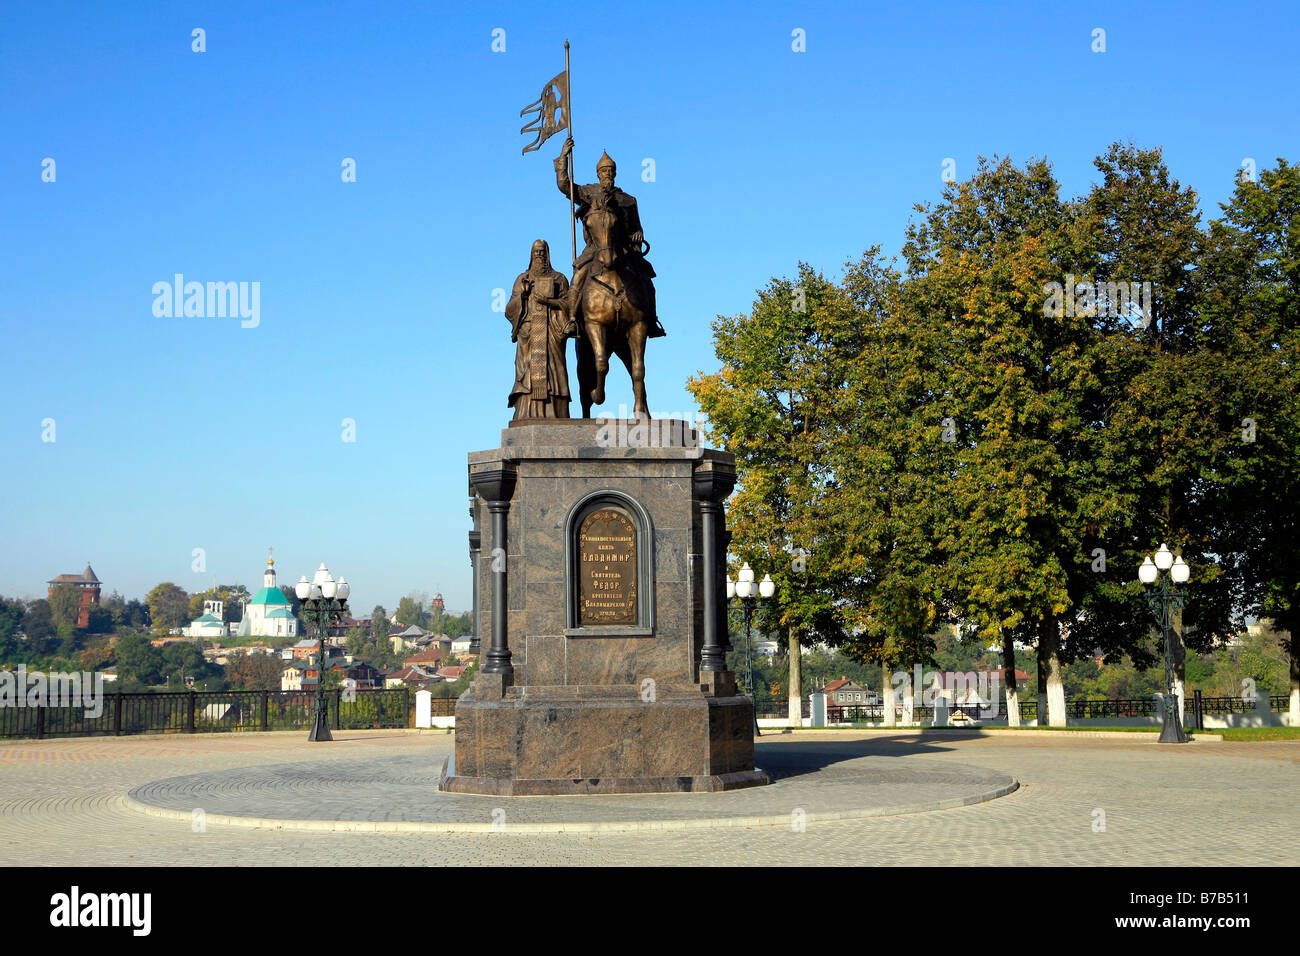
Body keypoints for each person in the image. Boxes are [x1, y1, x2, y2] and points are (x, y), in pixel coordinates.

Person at [555, 138, 665, 337]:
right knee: (578, 277)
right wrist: (563, 156)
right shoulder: (589, 193)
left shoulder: (628, 200)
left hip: (623, 250)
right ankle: (572, 319)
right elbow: (564, 185)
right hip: (595, 249)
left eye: (610, 171)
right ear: (598, 174)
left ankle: (651, 320)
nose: (607, 174)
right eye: (604, 171)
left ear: (615, 173)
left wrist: (638, 235)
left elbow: (637, 228)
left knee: (647, 279)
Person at [505, 239, 575, 420]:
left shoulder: (559, 279)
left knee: (553, 370)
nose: (539, 255)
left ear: (547, 254)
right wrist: (523, 295)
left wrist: (548, 302)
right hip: (529, 332)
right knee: (528, 371)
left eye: (542, 251)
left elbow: (569, 305)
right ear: (531, 254)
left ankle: (556, 413)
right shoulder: (523, 279)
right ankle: (525, 413)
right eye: (536, 252)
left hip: (551, 330)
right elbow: (509, 310)